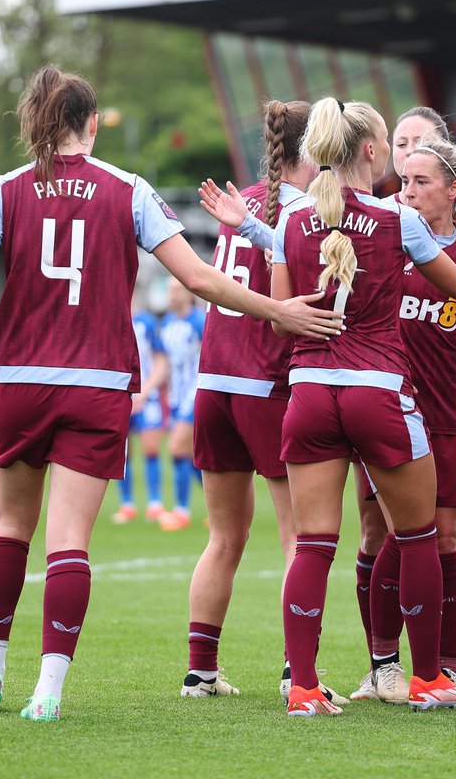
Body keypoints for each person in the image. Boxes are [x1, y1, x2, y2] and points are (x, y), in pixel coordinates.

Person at [0, 65, 341, 723]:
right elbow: (200, 279)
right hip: (95, 384)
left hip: (19, 380)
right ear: (93, 125)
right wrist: (280, 313)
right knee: (69, 539)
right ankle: (48, 689)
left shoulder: (3, 189)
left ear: (36, 123)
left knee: (9, 526)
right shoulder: (128, 190)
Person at [273, 96, 456, 716]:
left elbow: (280, 321)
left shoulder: (291, 220)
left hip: (310, 391)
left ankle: (302, 685)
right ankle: (429, 678)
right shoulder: (392, 219)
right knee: (423, 536)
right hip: (378, 392)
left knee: (315, 544)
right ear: (371, 153)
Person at [355, 136, 456, 703]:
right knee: (400, 534)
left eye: (421, 182)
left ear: (454, 190)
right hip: (390, 411)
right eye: (404, 181)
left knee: (446, 536)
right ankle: (382, 666)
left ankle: (451, 666)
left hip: (452, 413)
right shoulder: (384, 241)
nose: (408, 192)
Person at [176, 99, 323, 699]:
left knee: (223, 536)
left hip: (213, 383)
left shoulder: (247, 202)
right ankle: (297, 671)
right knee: (300, 535)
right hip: (266, 383)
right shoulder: (305, 210)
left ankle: (200, 671)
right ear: (312, 149)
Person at [111, 291, 168, 524]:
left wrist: (146, 390)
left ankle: (155, 504)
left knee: (151, 447)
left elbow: (161, 361)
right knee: (122, 453)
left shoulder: (146, 323)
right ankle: (127, 505)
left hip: (147, 395)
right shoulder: (111, 322)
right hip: (121, 396)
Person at [157, 280, 206, 531]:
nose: (172, 295)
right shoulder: (166, 323)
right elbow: (164, 362)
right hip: (176, 396)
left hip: (195, 393)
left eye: (176, 290)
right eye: (169, 290)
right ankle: (216, 507)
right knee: (192, 456)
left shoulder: (199, 321)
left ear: (189, 293)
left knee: (177, 449)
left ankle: (181, 511)